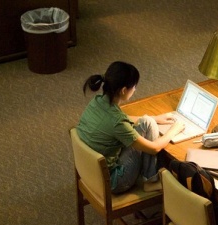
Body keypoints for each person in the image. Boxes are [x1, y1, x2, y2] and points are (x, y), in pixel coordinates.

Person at [76, 61, 185, 193]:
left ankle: (148, 177)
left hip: (89, 170)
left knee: (147, 122)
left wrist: (155, 119)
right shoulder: (117, 122)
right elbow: (154, 148)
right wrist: (174, 130)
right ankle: (149, 182)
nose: (135, 90)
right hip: (113, 182)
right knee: (149, 126)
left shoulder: (97, 101)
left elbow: (121, 118)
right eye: (134, 87)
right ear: (123, 90)